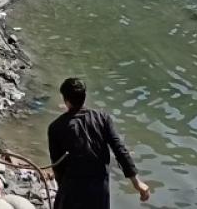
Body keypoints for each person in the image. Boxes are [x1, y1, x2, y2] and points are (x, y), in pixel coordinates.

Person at [48, 78, 151, 208]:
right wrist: (137, 183)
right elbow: (119, 150)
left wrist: (62, 189)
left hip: (72, 190)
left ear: (66, 100)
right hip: (99, 190)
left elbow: (57, 166)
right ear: (84, 97)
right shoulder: (102, 119)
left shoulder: (55, 127)